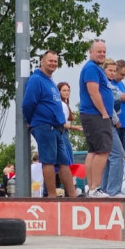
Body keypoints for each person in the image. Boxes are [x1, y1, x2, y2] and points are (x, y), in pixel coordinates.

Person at [22, 50, 77, 199]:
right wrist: (29, 120)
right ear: (42, 61)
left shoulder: (51, 81)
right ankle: (51, 196)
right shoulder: (36, 79)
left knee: (64, 162)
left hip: (57, 128)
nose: (53, 64)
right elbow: (28, 103)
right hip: (45, 126)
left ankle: (72, 195)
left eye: (55, 61)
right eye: (50, 60)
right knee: (48, 161)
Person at [78, 39, 114, 197]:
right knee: (103, 150)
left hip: (92, 114)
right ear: (91, 52)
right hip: (95, 114)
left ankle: (91, 187)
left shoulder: (94, 68)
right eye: (99, 51)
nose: (102, 54)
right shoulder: (91, 68)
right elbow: (94, 92)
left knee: (93, 151)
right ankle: (95, 187)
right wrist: (104, 112)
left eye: (104, 51)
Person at [99, 58, 125, 196]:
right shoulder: (104, 84)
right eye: (110, 70)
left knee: (109, 157)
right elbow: (107, 104)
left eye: (114, 71)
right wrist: (116, 120)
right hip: (106, 122)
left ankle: (105, 189)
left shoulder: (109, 84)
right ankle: (113, 190)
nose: (112, 73)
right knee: (118, 154)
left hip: (107, 122)